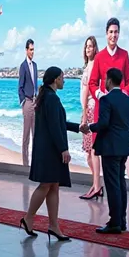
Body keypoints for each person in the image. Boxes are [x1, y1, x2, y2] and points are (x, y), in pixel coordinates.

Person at [21, 67, 80, 241]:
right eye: (62, 77)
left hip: (46, 148)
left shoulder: (46, 96)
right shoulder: (51, 98)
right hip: (50, 150)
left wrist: (78, 127)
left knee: (53, 185)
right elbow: (55, 126)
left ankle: (53, 225)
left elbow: (57, 122)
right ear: (55, 79)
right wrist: (63, 148)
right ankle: (28, 218)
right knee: (46, 185)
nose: (64, 80)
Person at [83, 68, 129, 234]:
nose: (104, 82)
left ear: (110, 80)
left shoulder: (107, 100)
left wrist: (89, 127)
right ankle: (122, 220)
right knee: (121, 183)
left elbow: (103, 123)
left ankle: (114, 222)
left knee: (112, 185)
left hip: (110, 148)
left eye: (106, 79)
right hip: (123, 147)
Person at [89, 18, 129, 179]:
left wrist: (123, 95)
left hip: (120, 111)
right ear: (106, 33)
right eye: (111, 32)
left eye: (116, 32)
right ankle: (99, 186)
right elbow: (92, 83)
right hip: (104, 108)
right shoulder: (100, 57)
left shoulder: (124, 55)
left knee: (119, 152)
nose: (113, 35)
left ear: (119, 34)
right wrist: (101, 96)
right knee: (102, 149)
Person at [80, 36, 103, 200]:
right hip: (87, 109)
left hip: (91, 110)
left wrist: (85, 114)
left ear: (95, 49)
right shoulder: (87, 66)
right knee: (89, 153)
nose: (88, 49)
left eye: (91, 46)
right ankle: (97, 184)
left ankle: (96, 186)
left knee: (93, 150)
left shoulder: (95, 66)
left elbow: (89, 90)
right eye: (86, 46)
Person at [18, 38, 38, 166]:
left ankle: (36, 163)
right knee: (26, 135)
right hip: (27, 102)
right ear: (26, 50)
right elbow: (20, 86)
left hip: (35, 102)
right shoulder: (23, 66)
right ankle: (25, 164)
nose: (32, 52)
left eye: (33, 50)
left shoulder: (35, 65)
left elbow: (35, 84)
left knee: (35, 134)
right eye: (30, 50)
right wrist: (23, 102)